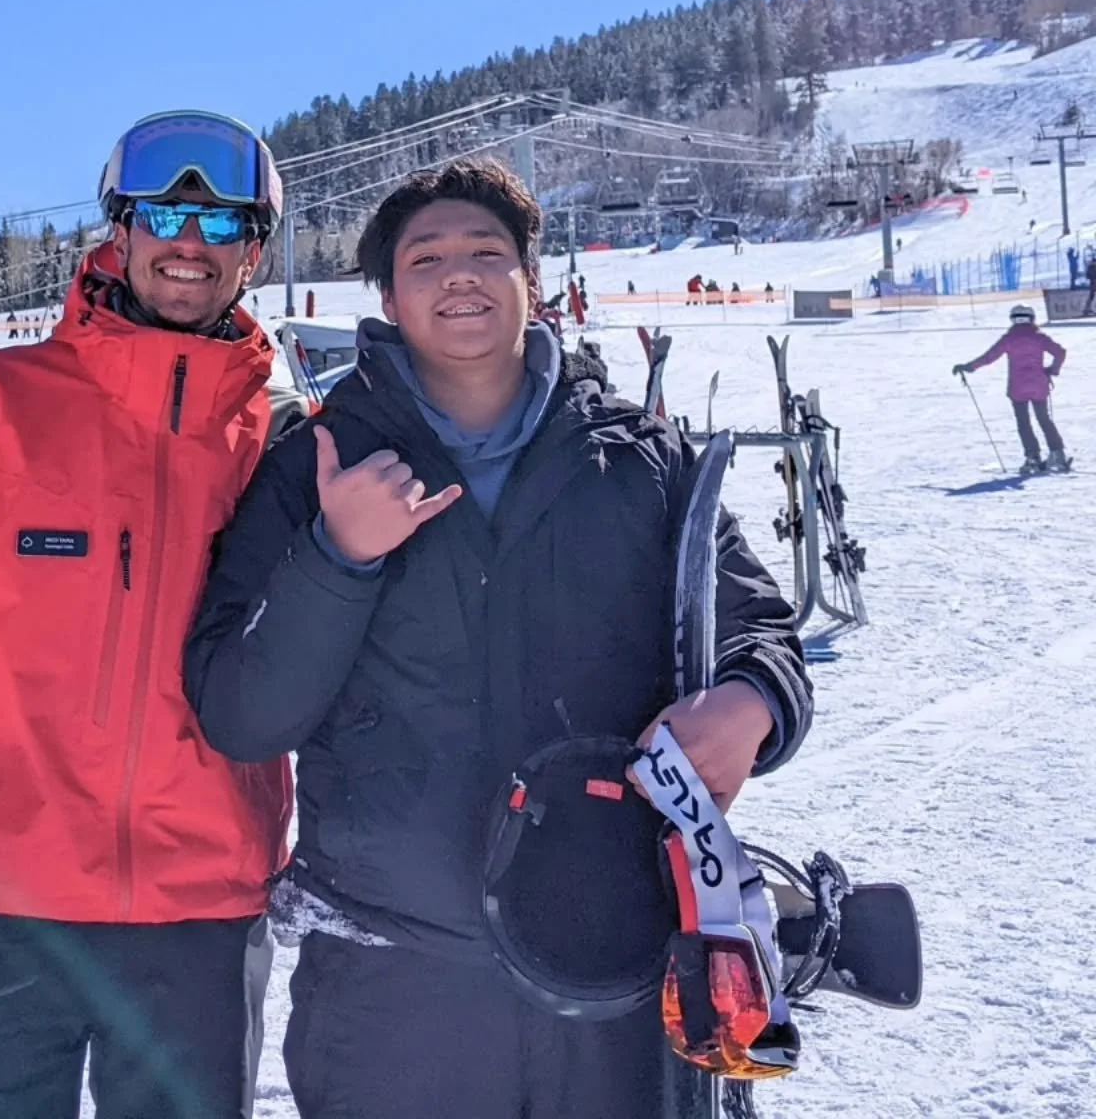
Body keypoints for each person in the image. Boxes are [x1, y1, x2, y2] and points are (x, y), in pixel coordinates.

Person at [186, 158, 811, 1119]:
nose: (460, 275)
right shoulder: (313, 465)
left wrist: (754, 705)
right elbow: (241, 711)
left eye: (487, 252)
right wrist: (337, 556)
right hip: (392, 991)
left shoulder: (641, 458)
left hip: (618, 968)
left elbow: (758, 630)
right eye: (425, 258)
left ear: (532, 277)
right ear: (388, 295)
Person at [0, 111, 300, 1119]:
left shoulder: (285, 440)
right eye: (167, 215)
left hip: (200, 908)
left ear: (253, 254)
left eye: (221, 227)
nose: (190, 245)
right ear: (119, 232)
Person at [954, 304, 1069, 473]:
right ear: (1032, 318)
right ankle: (1057, 455)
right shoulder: (1039, 337)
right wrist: (1053, 370)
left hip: (1018, 387)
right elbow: (1060, 352)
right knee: (1044, 419)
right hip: (1039, 384)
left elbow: (989, 357)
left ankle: (1032, 458)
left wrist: (969, 367)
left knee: (1024, 423)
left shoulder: (1009, 339)